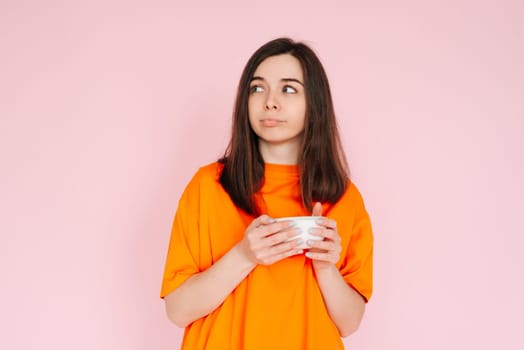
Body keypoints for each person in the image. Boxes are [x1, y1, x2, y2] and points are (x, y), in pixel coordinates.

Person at [160, 37, 373, 349]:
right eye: (257, 88)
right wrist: (244, 255)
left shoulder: (344, 198)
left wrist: (326, 267)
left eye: (289, 89)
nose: (270, 101)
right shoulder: (208, 186)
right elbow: (178, 311)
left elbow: (349, 322)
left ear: (314, 103)